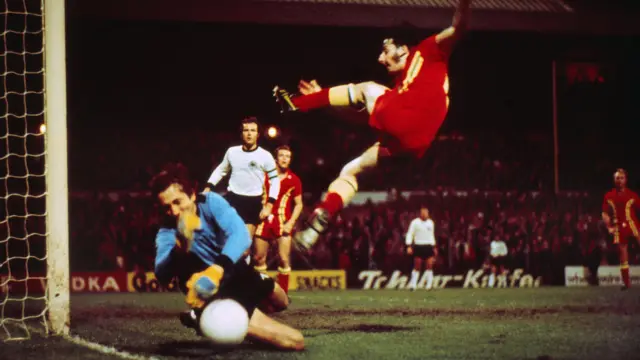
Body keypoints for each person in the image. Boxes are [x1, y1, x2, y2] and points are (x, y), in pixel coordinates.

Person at [274, 0, 472, 250]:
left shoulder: (428, 50)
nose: (381, 58)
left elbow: (459, 26)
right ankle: (317, 224)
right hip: (414, 142)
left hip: (410, 122)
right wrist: (325, 100)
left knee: (367, 88)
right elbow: (362, 118)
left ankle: (297, 103)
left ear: (402, 48)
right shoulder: (401, 89)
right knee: (349, 171)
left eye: (384, 49)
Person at [151, 163, 304, 350]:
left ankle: (234, 311)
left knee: (281, 302)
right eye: (166, 207)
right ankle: (210, 319)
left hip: (236, 272)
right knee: (295, 341)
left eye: (177, 202)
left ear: (192, 195)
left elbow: (241, 235)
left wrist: (218, 268)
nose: (173, 212)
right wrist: (179, 249)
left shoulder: (211, 202)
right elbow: (161, 273)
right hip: (213, 292)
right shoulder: (167, 232)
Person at [204, 117, 280, 239]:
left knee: (243, 249)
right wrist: (208, 187)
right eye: (246, 130)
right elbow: (221, 170)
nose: (249, 134)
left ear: (258, 134)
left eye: (253, 130)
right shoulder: (232, 152)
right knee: (226, 241)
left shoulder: (265, 156)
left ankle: (245, 258)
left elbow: (275, 181)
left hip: (252, 203)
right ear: (241, 133)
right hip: (233, 199)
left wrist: (269, 205)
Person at [253, 145, 304, 294]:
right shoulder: (263, 176)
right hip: (262, 221)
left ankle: (283, 295)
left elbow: (299, 204)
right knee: (259, 258)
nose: (284, 159)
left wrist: (291, 222)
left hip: (283, 222)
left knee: (283, 259)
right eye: (282, 155)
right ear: (276, 158)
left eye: (287, 156)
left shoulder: (294, 180)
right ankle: (262, 294)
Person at [602, 168, 639, 290]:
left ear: (626, 180)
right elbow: (605, 213)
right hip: (618, 227)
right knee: (623, 253)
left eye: (622, 178)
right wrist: (609, 227)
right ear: (614, 180)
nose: (619, 181)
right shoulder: (609, 196)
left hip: (633, 225)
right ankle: (626, 282)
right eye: (617, 178)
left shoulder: (632, 195)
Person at [405, 205, 437, 290]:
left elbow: (431, 235)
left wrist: (434, 246)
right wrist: (408, 245)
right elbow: (410, 233)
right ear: (420, 213)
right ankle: (413, 285)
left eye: (426, 212)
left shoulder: (431, 223)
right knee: (417, 266)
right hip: (418, 245)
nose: (425, 214)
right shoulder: (415, 222)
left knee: (429, 265)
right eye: (423, 212)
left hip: (428, 246)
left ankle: (429, 285)